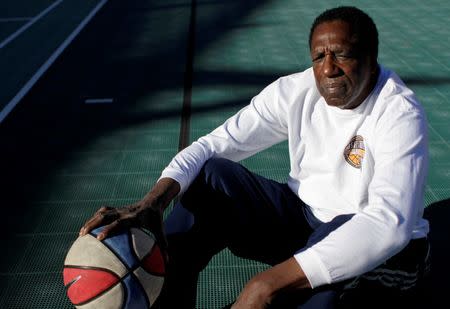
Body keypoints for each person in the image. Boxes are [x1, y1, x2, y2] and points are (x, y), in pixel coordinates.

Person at [79, 6, 430, 308]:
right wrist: (152, 203)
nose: (328, 69)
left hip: (380, 251)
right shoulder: (297, 90)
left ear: (370, 56)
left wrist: (268, 283)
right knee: (212, 176)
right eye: (319, 57)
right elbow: (211, 146)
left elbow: (389, 224)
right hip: (304, 221)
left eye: (341, 54)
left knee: (316, 294)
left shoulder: (399, 112)